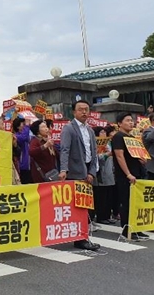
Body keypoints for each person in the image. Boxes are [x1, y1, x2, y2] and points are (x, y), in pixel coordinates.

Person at [58, 100, 100, 251]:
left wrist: (92, 172)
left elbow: (94, 153)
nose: (84, 112)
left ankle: (82, 237)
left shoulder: (90, 130)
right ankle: (81, 238)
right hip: (75, 173)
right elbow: (64, 150)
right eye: (80, 109)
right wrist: (64, 170)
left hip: (88, 171)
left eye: (86, 109)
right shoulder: (69, 129)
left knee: (86, 206)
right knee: (79, 208)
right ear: (74, 112)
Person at [112, 113, 150, 241]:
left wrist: (141, 159)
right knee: (127, 203)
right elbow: (119, 156)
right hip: (125, 176)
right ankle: (126, 230)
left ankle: (137, 229)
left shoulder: (132, 137)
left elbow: (134, 154)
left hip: (137, 173)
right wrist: (128, 174)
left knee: (136, 203)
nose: (131, 122)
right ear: (119, 123)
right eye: (127, 120)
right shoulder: (118, 137)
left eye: (131, 120)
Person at [94, 126, 117, 224]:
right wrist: (106, 154)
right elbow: (96, 157)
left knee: (109, 195)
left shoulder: (108, 142)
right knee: (102, 196)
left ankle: (107, 215)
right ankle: (101, 216)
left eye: (104, 132)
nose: (103, 134)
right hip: (101, 172)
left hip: (110, 170)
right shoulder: (96, 143)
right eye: (101, 132)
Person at [13, 116, 32, 184]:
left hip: (29, 165)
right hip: (22, 165)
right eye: (22, 124)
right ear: (18, 127)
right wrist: (26, 126)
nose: (24, 126)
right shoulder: (16, 136)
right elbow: (23, 137)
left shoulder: (26, 134)